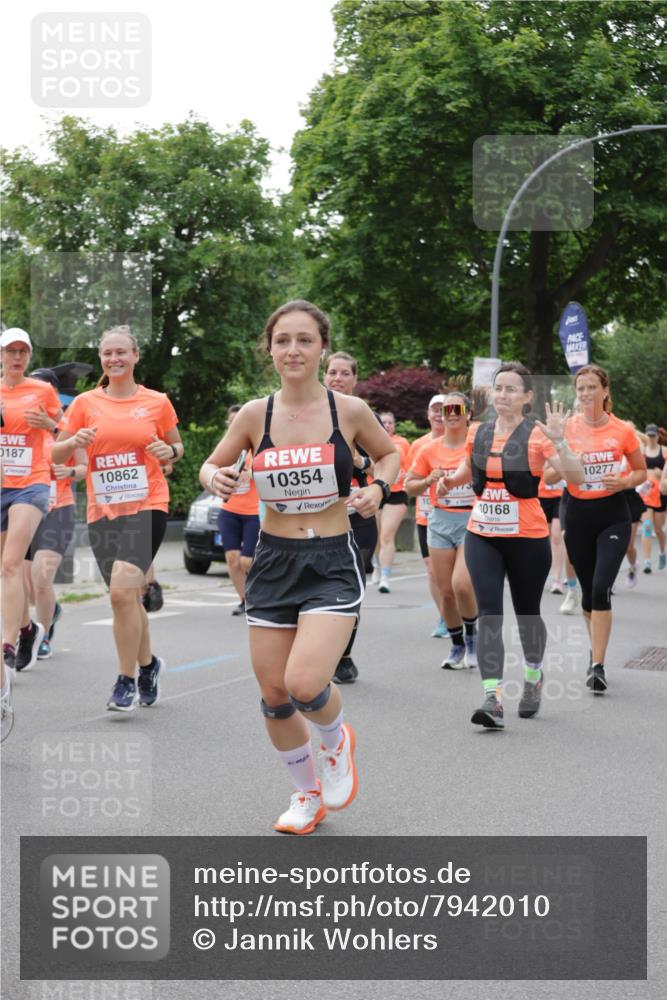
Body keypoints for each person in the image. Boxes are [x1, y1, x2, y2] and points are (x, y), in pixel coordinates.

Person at [200, 300, 399, 835]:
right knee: (273, 694)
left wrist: (379, 489)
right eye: (282, 340)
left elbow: (389, 455)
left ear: (322, 348)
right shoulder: (254, 415)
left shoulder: (348, 410)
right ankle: (307, 794)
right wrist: (214, 477)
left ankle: (334, 739)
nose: (293, 350)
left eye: (305, 340)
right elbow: (211, 464)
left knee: (305, 683)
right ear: (269, 349)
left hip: (331, 559)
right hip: (273, 560)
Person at [437, 362, 584, 728]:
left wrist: (560, 440)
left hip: (527, 538)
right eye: (498, 388)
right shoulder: (478, 431)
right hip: (482, 534)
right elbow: (469, 469)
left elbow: (576, 476)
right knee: (489, 614)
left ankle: (533, 675)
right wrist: (450, 481)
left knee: (527, 613)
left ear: (527, 396)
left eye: (511, 389)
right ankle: (493, 698)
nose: (502, 394)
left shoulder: (538, 435)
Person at [53, 326, 183, 711]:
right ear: (101, 359)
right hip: (104, 509)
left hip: (148, 503)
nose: (114, 359)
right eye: (108, 353)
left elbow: (176, 445)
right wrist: (73, 442)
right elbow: (54, 454)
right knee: (126, 600)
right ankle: (148, 665)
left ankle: (125, 681)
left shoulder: (156, 402)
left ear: (135, 356)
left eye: (121, 352)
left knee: (121, 593)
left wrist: (170, 451)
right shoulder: (84, 404)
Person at [559, 364, 646, 693]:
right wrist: (567, 463)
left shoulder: (622, 430)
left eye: (592, 387)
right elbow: (551, 473)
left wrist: (623, 482)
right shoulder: (567, 428)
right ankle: (595, 649)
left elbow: (640, 472)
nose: (585, 393)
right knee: (587, 594)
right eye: (580, 388)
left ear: (605, 391)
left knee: (600, 588)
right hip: (577, 515)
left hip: (613, 515)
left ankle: (598, 665)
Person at [1, 328, 62, 740]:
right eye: (11, 351)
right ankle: (26, 630)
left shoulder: (42, 391)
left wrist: (51, 424)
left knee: (11, 565)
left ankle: (6, 647)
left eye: (23, 351)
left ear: (29, 356)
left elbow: (66, 434)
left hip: (32, 484)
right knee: (4, 570)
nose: (17, 357)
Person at [407, 391, 478, 669]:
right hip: (439, 522)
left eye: (457, 409)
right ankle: (457, 645)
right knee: (445, 590)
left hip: (471, 521)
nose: (451, 414)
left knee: (462, 584)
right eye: (447, 409)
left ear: (468, 414)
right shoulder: (428, 449)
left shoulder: (476, 446)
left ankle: (472, 638)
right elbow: (409, 487)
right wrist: (427, 480)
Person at [20, 368, 87, 661]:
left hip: (57, 508)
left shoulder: (69, 424)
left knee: (41, 578)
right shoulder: (17, 422)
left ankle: (43, 636)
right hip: (23, 509)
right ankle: (50, 611)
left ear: (54, 394)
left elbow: (84, 466)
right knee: (24, 585)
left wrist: (69, 472)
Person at [323, 352, 378, 683]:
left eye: (345, 373)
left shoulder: (362, 415)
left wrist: (359, 461)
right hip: (317, 515)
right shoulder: (308, 415)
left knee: (350, 587)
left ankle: (343, 655)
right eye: (332, 372)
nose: (338, 378)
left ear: (355, 380)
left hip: (357, 515)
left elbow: (383, 461)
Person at [404, 395, 449, 638]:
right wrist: (428, 481)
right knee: (433, 570)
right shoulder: (419, 446)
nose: (439, 415)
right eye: (435, 410)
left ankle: (464, 612)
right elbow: (410, 483)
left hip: (456, 516)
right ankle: (445, 616)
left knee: (458, 575)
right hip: (427, 516)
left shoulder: (463, 443)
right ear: (428, 414)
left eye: (444, 410)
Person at [217, 404, 260, 615]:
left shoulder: (255, 444)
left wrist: (250, 473)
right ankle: (245, 601)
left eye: (238, 422)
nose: (234, 426)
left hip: (253, 512)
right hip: (229, 510)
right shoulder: (226, 447)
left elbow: (268, 473)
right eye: (230, 422)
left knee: (247, 561)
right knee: (233, 560)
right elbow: (213, 469)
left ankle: (260, 595)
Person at [375, 411, 410, 593]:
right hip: (376, 491)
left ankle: (385, 577)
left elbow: (412, 465)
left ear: (394, 425)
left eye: (390, 422)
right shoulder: (371, 440)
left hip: (396, 492)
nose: (387, 425)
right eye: (384, 422)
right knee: (376, 536)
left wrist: (407, 477)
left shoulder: (402, 443)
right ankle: (376, 565)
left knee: (387, 535)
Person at [639, 423, 666, 573]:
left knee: (658, 529)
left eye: (653, 436)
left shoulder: (664, 451)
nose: (651, 438)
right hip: (646, 493)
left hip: (660, 494)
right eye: (648, 435)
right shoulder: (642, 451)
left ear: (658, 436)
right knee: (647, 526)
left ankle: (662, 552)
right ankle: (647, 561)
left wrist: (661, 474)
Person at [537, 472, 565, 594]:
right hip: (540, 495)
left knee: (557, 536)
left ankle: (556, 579)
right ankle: (538, 575)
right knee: (543, 537)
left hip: (561, 495)